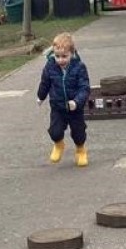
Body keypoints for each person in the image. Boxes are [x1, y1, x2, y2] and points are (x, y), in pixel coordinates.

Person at [37, 32, 91, 166]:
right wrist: (41, 96)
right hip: (58, 107)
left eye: (64, 56)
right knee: (55, 131)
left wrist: (77, 102)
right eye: (57, 56)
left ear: (72, 54)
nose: (60, 60)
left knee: (78, 132)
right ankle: (59, 144)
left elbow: (84, 87)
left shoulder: (79, 67)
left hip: (74, 108)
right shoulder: (50, 67)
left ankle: (80, 150)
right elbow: (45, 83)